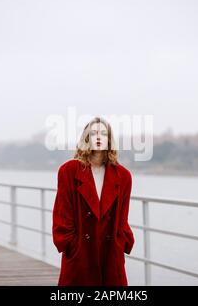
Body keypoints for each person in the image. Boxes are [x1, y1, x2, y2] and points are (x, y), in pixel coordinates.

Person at [52, 116, 134, 286]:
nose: (98, 137)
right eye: (94, 133)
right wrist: (72, 245)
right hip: (80, 255)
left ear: (110, 140)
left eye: (103, 133)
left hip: (110, 253)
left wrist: (120, 243)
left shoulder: (123, 176)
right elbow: (62, 214)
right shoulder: (68, 171)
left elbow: (122, 220)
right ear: (86, 138)